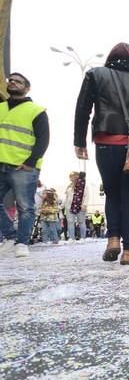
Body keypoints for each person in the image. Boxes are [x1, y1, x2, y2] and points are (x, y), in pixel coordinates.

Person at [74, 42, 129, 265]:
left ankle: (113, 240)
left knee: (112, 193)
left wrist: (79, 141)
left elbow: (83, 109)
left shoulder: (96, 74)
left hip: (105, 142)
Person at [0, 72, 50, 258]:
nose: (12, 82)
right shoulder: (1, 108)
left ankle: (22, 243)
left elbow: (43, 139)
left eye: (18, 81)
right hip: (1, 163)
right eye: (10, 80)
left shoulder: (36, 110)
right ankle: (11, 237)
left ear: (26, 88)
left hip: (23, 167)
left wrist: (30, 162)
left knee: (25, 207)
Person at [64, 171, 88, 243]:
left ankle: (83, 238)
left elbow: (86, 195)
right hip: (69, 207)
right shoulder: (69, 186)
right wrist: (63, 206)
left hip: (80, 206)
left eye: (71, 176)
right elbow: (67, 198)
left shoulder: (83, 185)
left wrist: (84, 204)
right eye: (70, 176)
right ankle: (71, 238)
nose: (70, 178)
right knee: (70, 222)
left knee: (81, 222)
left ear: (76, 176)